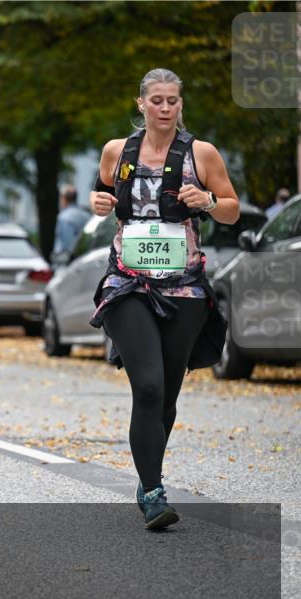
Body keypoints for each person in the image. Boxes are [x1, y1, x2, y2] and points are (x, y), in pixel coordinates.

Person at [88, 68, 239, 530]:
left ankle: (145, 474)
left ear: (180, 105)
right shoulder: (117, 152)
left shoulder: (201, 154)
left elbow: (232, 209)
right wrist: (99, 204)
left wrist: (208, 201)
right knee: (148, 386)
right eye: (157, 100)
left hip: (185, 288)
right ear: (141, 105)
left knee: (168, 394)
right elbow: (105, 195)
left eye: (173, 100)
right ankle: (154, 493)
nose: (166, 107)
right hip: (128, 283)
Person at [52, 185, 89, 262]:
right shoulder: (86, 216)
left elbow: (67, 243)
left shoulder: (64, 217)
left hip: (64, 261)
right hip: (83, 258)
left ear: (64, 199)